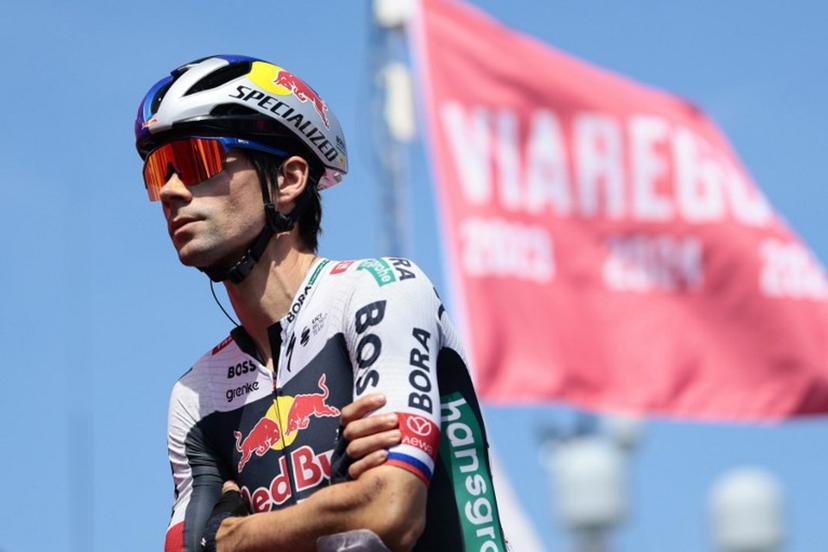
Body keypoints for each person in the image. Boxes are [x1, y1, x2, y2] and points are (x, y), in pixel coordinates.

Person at [136, 55, 508, 552]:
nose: (172, 191)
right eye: (159, 170)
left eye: (199, 161)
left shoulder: (381, 289)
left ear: (288, 180)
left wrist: (234, 537)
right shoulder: (196, 393)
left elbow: (391, 512)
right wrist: (338, 503)